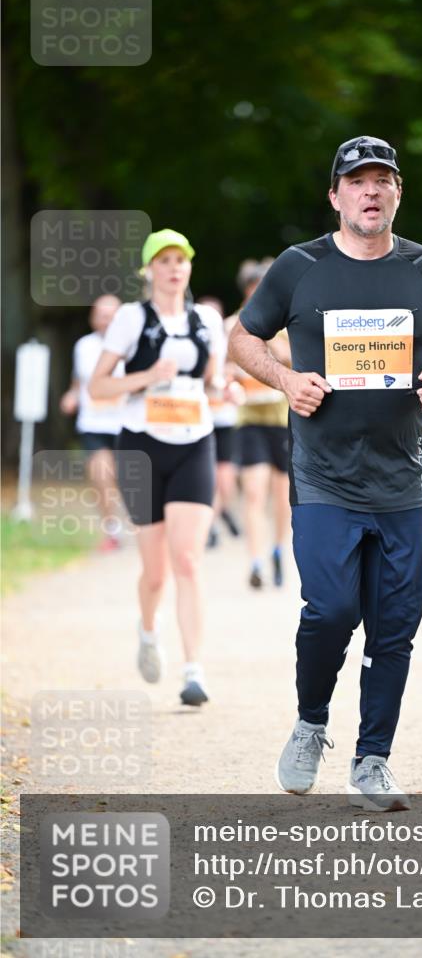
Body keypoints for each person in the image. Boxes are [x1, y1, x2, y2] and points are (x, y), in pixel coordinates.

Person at [228, 135, 422, 810]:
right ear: (335, 195)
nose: (370, 191)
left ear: (397, 192)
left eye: (382, 180)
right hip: (323, 474)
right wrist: (284, 379)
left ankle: (372, 759)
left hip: (402, 477)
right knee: (331, 609)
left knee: (394, 625)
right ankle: (310, 723)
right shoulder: (298, 267)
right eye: (356, 181)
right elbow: (242, 337)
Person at [89, 229, 224, 706]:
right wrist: (148, 377)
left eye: (181, 260)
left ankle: (194, 671)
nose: (174, 268)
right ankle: (148, 630)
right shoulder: (131, 318)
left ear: (189, 267)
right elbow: (97, 389)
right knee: (155, 573)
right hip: (141, 449)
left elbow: (214, 382)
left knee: (187, 559)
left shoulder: (207, 320)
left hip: (194, 443)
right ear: (149, 270)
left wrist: (227, 390)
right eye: (164, 260)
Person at [226, 259, 291, 589]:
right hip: (249, 419)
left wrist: (267, 338)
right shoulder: (230, 325)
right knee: (253, 492)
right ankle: (255, 559)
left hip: (282, 418)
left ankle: (279, 549)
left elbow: (295, 361)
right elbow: (221, 366)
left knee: (282, 496)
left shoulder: (286, 323)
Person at [60, 294, 125, 552]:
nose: (107, 321)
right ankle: (111, 529)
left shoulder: (132, 345)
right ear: (92, 318)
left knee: (129, 478)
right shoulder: (83, 346)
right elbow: (78, 382)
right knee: (101, 475)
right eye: (102, 316)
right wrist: (71, 396)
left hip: (125, 422)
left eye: (112, 316)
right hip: (93, 423)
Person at [196, 296, 242, 549]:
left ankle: (220, 512)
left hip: (224, 416)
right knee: (212, 474)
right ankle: (213, 520)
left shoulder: (229, 343)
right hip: (201, 417)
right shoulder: (195, 341)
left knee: (224, 475)